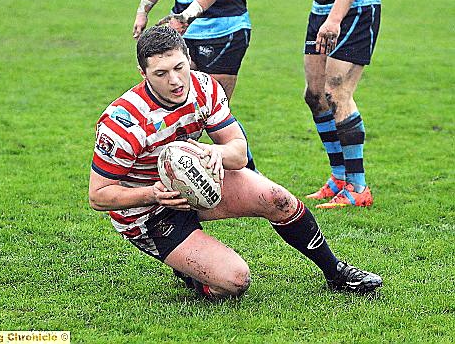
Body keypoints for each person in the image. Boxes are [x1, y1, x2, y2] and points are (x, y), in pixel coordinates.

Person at [89, 26, 382, 299]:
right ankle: (189, 268)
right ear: (143, 73)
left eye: (180, 68)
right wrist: (153, 194)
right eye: (161, 73)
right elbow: (98, 196)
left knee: (277, 198)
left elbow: (238, 152)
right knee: (234, 281)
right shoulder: (122, 124)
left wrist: (217, 153)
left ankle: (336, 273)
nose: (175, 80)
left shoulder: (203, 87)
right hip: (149, 214)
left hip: (198, 178)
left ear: (189, 58)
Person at [132, 0, 258, 171]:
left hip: (223, 26)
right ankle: (172, 171)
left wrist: (186, 17)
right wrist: (143, 10)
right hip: (181, 28)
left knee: (216, 111)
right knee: (177, 103)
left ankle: (250, 174)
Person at [303, 0, 381, 208]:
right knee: (315, 95)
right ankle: (339, 177)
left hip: (353, 8)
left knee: (336, 93)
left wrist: (335, 19)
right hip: (321, 8)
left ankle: (358, 187)